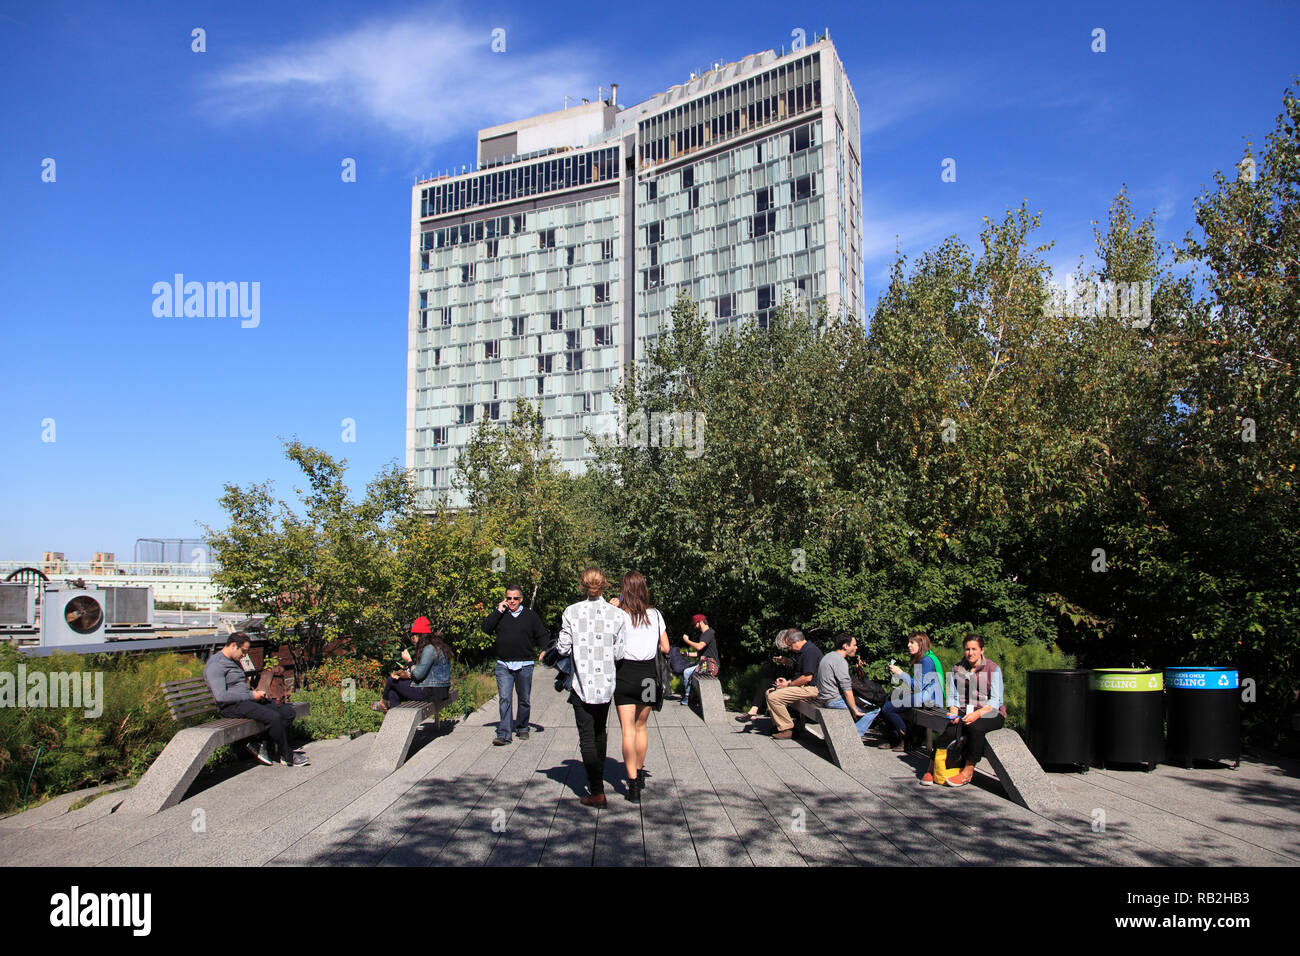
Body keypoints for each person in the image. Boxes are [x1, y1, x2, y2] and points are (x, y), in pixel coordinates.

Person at [556, 566, 627, 807]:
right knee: (600, 732)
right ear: (605, 584)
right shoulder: (617, 615)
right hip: (606, 683)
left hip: (581, 683)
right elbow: (619, 652)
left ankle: (596, 790)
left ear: (583, 585)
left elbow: (563, 648)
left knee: (586, 736)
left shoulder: (571, 612)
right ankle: (599, 780)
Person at [204, 633, 308, 767]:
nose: (244, 655)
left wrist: (255, 694)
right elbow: (221, 696)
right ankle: (287, 755)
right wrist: (252, 696)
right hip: (231, 706)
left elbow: (239, 688)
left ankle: (260, 743)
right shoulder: (216, 665)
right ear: (234, 645)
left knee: (287, 712)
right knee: (273, 717)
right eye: (244, 651)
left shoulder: (233, 660)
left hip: (246, 701)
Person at [613, 571, 669, 802]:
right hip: (648, 674)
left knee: (627, 730)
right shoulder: (655, 615)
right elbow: (665, 647)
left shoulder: (618, 614)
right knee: (641, 728)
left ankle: (632, 783)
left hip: (625, 674)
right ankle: (640, 770)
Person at [924, 634, 1006, 787]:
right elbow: (953, 696)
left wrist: (977, 714)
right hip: (965, 710)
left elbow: (996, 700)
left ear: (982, 650)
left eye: (974, 649)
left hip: (990, 711)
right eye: (967, 649)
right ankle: (931, 768)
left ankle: (968, 771)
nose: (970, 652)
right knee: (948, 729)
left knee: (975, 728)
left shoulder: (993, 669)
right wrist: (954, 711)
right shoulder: (958, 668)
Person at [481, 584, 550, 746]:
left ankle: (522, 727)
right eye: (509, 598)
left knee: (524, 699)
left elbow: (542, 635)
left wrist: (545, 649)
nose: (512, 601)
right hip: (504, 665)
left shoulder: (530, 616)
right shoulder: (501, 615)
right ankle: (504, 733)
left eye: (515, 598)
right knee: (505, 699)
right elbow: (486, 628)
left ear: (521, 599)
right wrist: (498, 611)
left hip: (525, 664)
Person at [878, 631, 945, 750]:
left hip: (929, 698)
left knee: (887, 708)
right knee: (889, 698)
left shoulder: (927, 661)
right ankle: (897, 738)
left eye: (912, 642)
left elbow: (917, 686)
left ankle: (905, 737)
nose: (908, 645)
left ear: (921, 644)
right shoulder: (925, 658)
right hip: (925, 695)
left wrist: (900, 673)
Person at [372, 617, 452, 714]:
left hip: (431, 691)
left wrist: (409, 661)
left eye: (413, 636)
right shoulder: (437, 646)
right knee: (393, 692)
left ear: (420, 636)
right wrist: (408, 674)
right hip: (440, 689)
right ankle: (396, 723)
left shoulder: (429, 649)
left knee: (391, 680)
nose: (413, 640)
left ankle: (383, 702)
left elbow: (418, 675)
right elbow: (425, 672)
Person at [817, 633, 879, 737]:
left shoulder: (828, 656)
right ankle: (853, 738)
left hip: (824, 698)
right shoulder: (840, 661)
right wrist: (854, 710)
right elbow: (847, 689)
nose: (856, 647)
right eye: (854, 645)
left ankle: (843, 736)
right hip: (834, 701)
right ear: (845, 646)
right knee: (873, 709)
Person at [764, 630, 822, 739]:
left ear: (797, 641)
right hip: (805, 688)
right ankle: (780, 725)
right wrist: (787, 682)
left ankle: (787, 729)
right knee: (770, 692)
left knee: (774, 697)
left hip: (814, 689)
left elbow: (807, 677)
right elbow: (800, 676)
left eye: (789, 646)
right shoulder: (802, 652)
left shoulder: (810, 652)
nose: (789, 649)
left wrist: (789, 685)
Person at [735, 628, 798, 723]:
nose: (787, 648)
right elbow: (790, 672)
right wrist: (785, 664)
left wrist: (789, 664)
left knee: (769, 688)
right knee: (765, 683)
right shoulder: (792, 653)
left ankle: (754, 712)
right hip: (789, 681)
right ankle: (753, 711)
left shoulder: (800, 653)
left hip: (795, 684)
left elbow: (800, 672)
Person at [679, 613, 719, 706]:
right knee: (687, 671)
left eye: (695, 624)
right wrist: (686, 654)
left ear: (700, 622)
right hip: (704, 663)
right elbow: (699, 653)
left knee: (687, 672)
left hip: (710, 665)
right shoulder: (705, 634)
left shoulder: (708, 633)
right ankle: (691, 696)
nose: (694, 626)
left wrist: (687, 640)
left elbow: (699, 647)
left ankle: (688, 697)